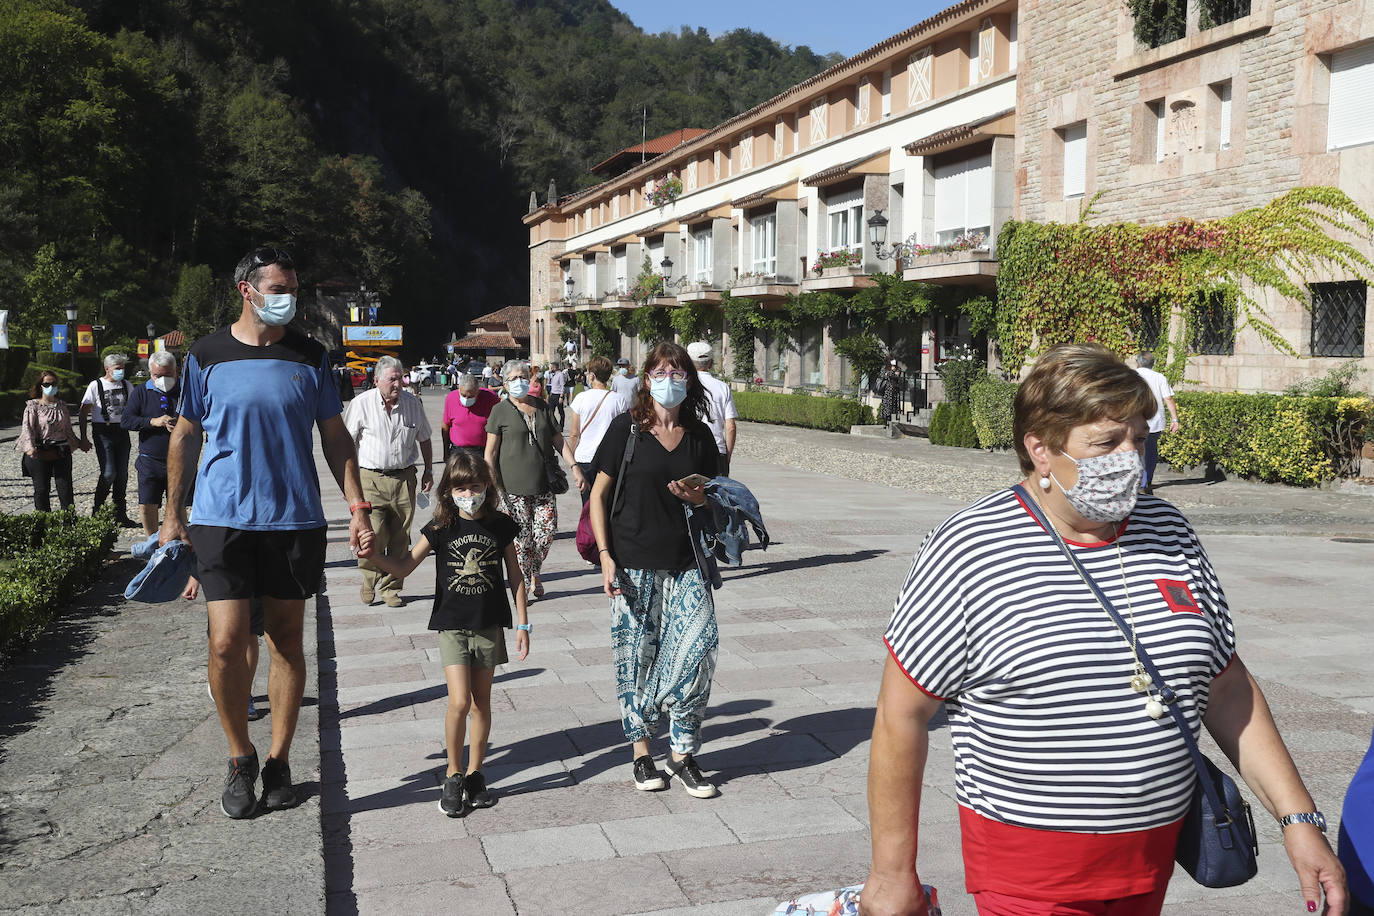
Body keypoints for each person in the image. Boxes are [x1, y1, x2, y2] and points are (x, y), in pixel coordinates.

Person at [860, 343, 1346, 916]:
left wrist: (1299, 819)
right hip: (1030, 874)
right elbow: (901, 714)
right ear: (1040, 450)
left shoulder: (1166, 528)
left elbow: (1226, 685)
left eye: (1139, 439)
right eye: (1106, 443)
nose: (1130, 459)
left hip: (1152, 859)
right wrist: (892, 875)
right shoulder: (970, 549)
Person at [161, 246, 374, 820]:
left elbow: (334, 437)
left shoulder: (312, 356)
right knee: (227, 642)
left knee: (285, 640)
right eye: (278, 288)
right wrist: (171, 514)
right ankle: (239, 755)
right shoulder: (207, 354)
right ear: (246, 291)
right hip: (221, 518)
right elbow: (184, 435)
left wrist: (357, 506)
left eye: (293, 288)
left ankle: (280, 760)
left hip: (294, 519)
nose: (288, 298)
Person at [358, 450, 530, 817]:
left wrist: (523, 622)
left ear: (487, 486)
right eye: (461, 488)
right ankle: (453, 773)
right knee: (459, 702)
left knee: (482, 701)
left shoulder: (501, 525)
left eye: (476, 486)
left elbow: (515, 575)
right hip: (452, 625)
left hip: (489, 624)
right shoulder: (440, 528)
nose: (470, 494)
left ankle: (475, 774)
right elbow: (404, 566)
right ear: (448, 491)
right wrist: (374, 555)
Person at [588, 341, 721, 799]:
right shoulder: (625, 430)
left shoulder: (700, 436)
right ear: (647, 379)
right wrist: (605, 556)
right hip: (631, 561)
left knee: (700, 647)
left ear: (690, 379)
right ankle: (643, 753)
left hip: (687, 561)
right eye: (661, 372)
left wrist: (701, 498)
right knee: (635, 658)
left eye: (678, 372)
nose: (670, 380)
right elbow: (597, 496)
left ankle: (682, 753)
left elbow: (719, 495)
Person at [344, 355, 434, 608]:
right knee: (373, 533)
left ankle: (391, 587)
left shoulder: (412, 403)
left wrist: (428, 469)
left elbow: (424, 438)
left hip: (404, 478)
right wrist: (348, 485)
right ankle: (369, 578)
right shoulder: (361, 404)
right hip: (369, 479)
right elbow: (346, 445)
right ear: (376, 381)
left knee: (400, 537)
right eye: (392, 379)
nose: (398, 384)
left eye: (401, 378)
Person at [485, 361, 576, 600]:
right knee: (521, 539)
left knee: (546, 533)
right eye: (514, 378)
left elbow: (558, 440)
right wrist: (490, 480)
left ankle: (534, 570)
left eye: (523, 376)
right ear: (505, 384)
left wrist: (574, 466)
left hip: (543, 485)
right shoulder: (500, 411)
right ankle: (526, 583)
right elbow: (490, 451)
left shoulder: (543, 407)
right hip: (512, 489)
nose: (520, 381)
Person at [121, 351, 183, 535]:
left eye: (168, 374)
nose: (163, 379)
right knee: (148, 503)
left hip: (180, 458)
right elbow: (126, 421)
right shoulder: (141, 391)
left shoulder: (186, 389)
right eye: (158, 375)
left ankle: (179, 543)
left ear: (176, 370)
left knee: (179, 503)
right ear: (150, 373)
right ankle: (152, 543)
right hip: (150, 459)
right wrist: (152, 421)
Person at [79, 353, 138, 526]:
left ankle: (120, 513)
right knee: (109, 472)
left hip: (122, 431)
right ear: (107, 369)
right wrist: (83, 437)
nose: (121, 371)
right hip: (103, 431)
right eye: (117, 368)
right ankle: (97, 510)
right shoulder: (95, 385)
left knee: (122, 474)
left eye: (123, 368)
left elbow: (134, 407)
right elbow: (83, 411)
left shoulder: (127, 385)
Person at [17, 369, 89, 511]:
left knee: (65, 489)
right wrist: (30, 447)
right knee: (42, 489)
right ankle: (43, 524)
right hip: (39, 451)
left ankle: (69, 524)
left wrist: (79, 442)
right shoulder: (33, 406)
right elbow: (27, 428)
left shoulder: (62, 405)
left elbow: (67, 429)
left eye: (53, 383)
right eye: (47, 384)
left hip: (61, 451)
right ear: (40, 386)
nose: (51, 387)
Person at [568, 357, 630, 504]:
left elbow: (574, 433)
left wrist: (571, 459)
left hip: (585, 457)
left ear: (592, 376)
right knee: (608, 501)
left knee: (588, 503)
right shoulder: (619, 399)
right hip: (610, 458)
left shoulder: (581, 398)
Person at [686, 341, 738, 477]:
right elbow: (731, 426)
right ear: (710, 363)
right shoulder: (723, 387)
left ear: (688, 363)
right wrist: (727, 456)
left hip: (690, 448)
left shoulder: (685, 385)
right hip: (717, 450)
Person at [1135, 352, 1180, 494]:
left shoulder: (1130, 375)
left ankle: (1138, 481)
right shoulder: (1159, 377)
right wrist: (1175, 419)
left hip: (1134, 419)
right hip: (1154, 421)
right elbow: (1169, 399)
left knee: (1135, 450)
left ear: (1138, 363)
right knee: (1150, 450)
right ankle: (1146, 481)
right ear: (1152, 363)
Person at [443, 373, 499, 462]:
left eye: (471, 396)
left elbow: (497, 427)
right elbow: (445, 426)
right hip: (458, 451)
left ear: (478, 391)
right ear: (459, 389)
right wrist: (445, 451)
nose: (466, 399)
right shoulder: (451, 398)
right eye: (463, 395)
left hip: (481, 451)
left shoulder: (490, 398)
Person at [877, 358, 903, 424]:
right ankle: (886, 421)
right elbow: (883, 375)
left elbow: (897, 376)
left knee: (894, 406)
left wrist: (889, 373)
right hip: (887, 390)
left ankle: (892, 421)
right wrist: (892, 372)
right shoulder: (885, 367)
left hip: (895, 390)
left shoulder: (898, 368)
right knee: (886, 406)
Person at [546, 362, 568, 430]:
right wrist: (549, 375)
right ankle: (552, 425)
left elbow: (562, 386)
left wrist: (561, 396)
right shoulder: (553, 375)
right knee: (551, 411)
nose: (551, 368)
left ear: (555, 367)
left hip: (558, 395)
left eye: (552, 367)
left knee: (560, 411)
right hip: (553, 394)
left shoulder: (560, 375)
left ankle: (561, 426)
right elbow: (549, 382)